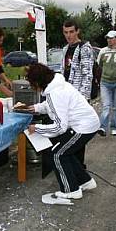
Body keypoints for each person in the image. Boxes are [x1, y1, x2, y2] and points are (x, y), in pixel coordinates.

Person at [21, 63, 100, 200]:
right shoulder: (59, 85)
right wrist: (35, 108)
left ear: (38, 81)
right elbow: (51, 106)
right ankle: (85, 181)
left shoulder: (54, 94)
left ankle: (71, 190)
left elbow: (59, 127)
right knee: (65, 151)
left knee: (57, 154)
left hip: (83, 127)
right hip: (88, 123)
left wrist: (37, 128)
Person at [60, 19, 94, 100]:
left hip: (79, 95)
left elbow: (87, 75)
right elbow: (63, 70)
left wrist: (83, 97)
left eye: (71, 32)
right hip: (67, 93)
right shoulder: (65, 49)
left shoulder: (84, 48)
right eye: (66, 32)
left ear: (77, 31)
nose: (68, 35)